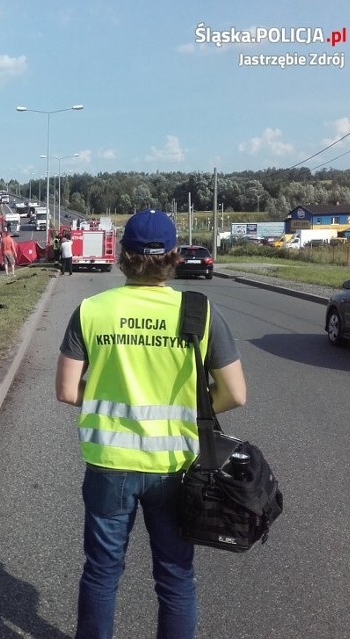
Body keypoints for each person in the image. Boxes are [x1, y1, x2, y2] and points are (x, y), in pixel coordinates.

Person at [55, 209, 247, 639]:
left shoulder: (91, 311)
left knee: (102, 573)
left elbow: (68, 391)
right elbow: (235, 393)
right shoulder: (199, 311)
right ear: (174, 256)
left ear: (123, 254)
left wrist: (111, 399)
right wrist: (190, 412)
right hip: (177, 466)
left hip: (109, 463)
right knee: (176, 577)